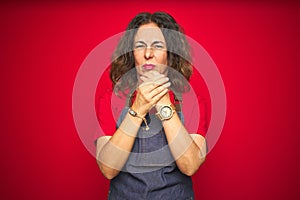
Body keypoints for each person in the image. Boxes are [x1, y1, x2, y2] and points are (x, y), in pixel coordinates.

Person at [95, 12, 208, 199]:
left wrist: (164, 103)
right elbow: (108, 168)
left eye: (157, 46)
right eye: (140, 46)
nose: (148, 54)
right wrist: (138, 109)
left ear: (170, 53)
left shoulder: (191, 102)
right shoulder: (111, 100)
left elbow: (190, 165)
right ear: (132, 53)